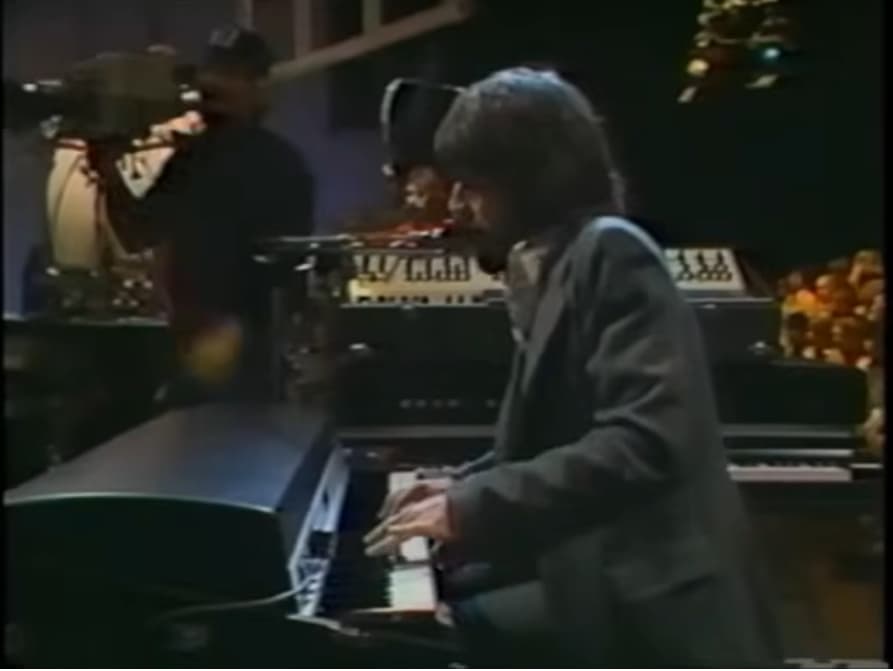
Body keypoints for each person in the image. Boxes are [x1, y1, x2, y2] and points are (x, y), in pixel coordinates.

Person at [364, 68, 782, 667]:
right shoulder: (558, 264)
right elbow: (550, 440)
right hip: (601, 568)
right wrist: (461, 486)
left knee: (439, 634)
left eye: (474, 186)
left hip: (654, 592)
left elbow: (643, 442)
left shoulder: (613, 251)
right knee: (443, 607)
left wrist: (470, 508)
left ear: (530, 179)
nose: (458, 205)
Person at [94, 27, 315, 405]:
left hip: (244, 359)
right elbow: (138, 233)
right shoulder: (190, 160)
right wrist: (111, 176)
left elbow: (287, 273)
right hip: (191, 350)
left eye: (231, 76)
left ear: (258, 87)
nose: (215, 85)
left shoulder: (279, 165)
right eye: (214, 73)